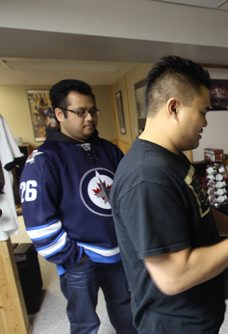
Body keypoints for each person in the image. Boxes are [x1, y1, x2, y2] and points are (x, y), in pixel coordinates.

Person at [111, 55, 228, 333]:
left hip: (198, 313)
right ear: (174, 107)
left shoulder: (172, 157)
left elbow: (199, 210)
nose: (205, 122)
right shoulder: (147, 178)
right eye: (202, 111)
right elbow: (173, 276)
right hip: (174, 324)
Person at [20, 79, 136, 334]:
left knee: (126, 309)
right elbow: (39, 226)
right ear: (59, 114)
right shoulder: (43, 160)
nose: (90, 118)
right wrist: (76, 259)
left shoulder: (110, 150)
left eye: (93, 111)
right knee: (84, 323)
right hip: (79, 260)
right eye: (80, 112)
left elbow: (128, 196)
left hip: (119, 255)